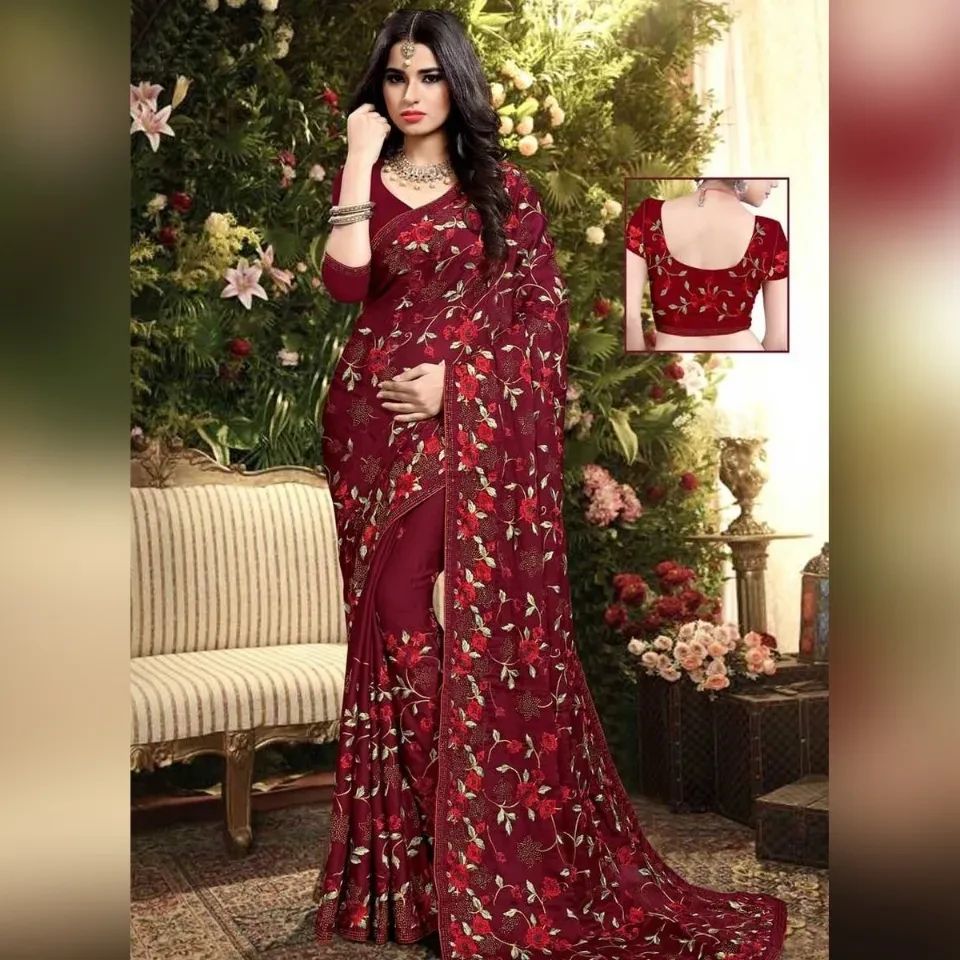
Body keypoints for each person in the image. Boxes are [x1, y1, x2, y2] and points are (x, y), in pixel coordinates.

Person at [312, 10, 787, 960]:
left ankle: (484, 824)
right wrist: (356, 160)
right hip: (366, 433)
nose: (411, 94)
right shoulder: (369, 171)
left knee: (407, 608)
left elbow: (541, 326)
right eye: (396, 77)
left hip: (456, 431)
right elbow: (345, 285)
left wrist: (457, 384)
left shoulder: (505, 193)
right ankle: (418, 872)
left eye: (428, 76)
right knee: (383, 623)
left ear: (457, 84)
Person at [625, 178, 789, 352]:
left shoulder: (649, 216)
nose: (775, 183)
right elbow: (778, 340)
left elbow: (630, 319)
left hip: (672, 358)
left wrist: (641, 363)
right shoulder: (770, 233)